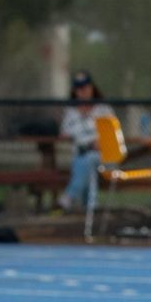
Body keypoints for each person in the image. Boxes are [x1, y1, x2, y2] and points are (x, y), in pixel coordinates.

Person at [57, 70, 116, 213]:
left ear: (92, 88)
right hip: (80, 156)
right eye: (79, 88)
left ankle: (69, 197)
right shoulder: (71, 112)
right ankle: (89, 211)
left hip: (104, 157)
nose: (82, 91)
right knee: (87, 163)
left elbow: (113, 135)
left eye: (85, 87)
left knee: (89, 159)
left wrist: (100, 143)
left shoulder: (103, 109)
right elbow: (64, 134)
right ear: (75, 91)